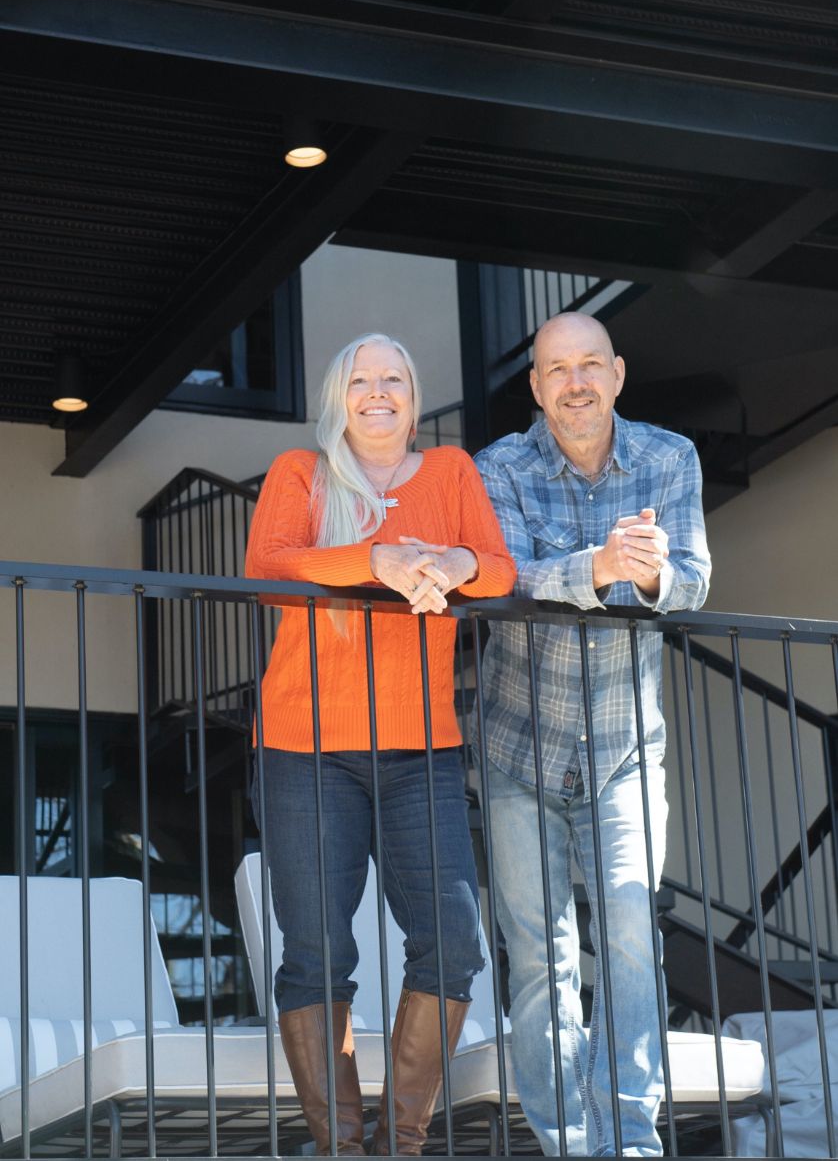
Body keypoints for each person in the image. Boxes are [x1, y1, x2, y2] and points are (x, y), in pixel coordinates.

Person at [245, 332, 515, 1157]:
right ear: (339, 396)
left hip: (421, 749)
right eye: (359, 380)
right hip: (305, 745)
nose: (377, 392)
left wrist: (453, 560)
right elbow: (269, 565)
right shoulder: (303, 473)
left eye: (393, 378)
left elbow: (500, 571)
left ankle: (400, 1142)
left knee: (454, 942)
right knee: (317, 950)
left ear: (412, 392)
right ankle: (342, 1147)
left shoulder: (452, 473)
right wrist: (380, 560)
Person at [474, 312, 711, 1156]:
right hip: (517, 750)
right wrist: (600, 568)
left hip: (623, 752)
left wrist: (650, 576)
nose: (573, 382)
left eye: (588, 366)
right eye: (554, 369)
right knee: (541, 962)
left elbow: (693, 579)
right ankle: (570, 1145)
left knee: (631, 944)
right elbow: (500, 582)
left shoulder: (668, 457)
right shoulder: (496, 468)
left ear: (616, 374)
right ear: (535, 388)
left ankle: (633, 1146)